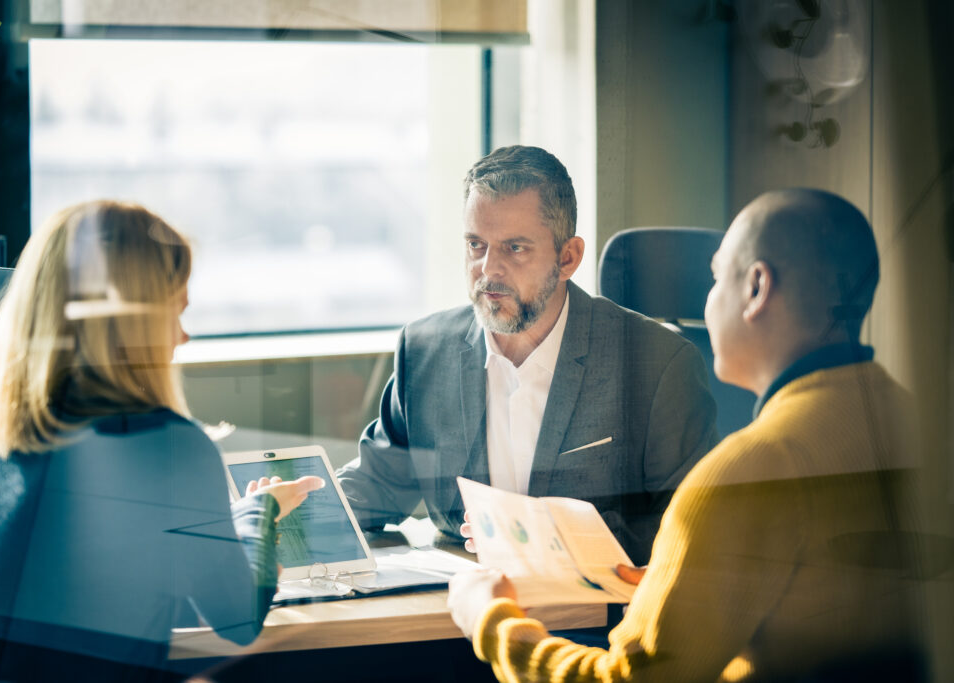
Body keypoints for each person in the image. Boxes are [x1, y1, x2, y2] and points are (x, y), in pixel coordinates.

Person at [447, 188, 924, 682]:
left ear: (757, 288)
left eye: (717, 277)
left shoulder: (746, 475)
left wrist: (493, 621)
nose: (707, 299)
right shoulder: (918, 425)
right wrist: (686, 578)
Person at [0, 201, 323, 682]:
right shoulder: (162, 443)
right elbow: (236, 618)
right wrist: (260, 514)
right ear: (133, 320)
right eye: (175, 312)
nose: (183, 336)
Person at [337, 145, 717, 564]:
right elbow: (377, 482)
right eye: (476, 245)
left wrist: (548, 541)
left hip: (596, 622)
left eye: (514, 248)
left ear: (568, 257)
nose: (488, 270)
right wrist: (285, 510)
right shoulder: (427, 351)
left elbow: (691, 527)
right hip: (456, 616)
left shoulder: (658, 365)